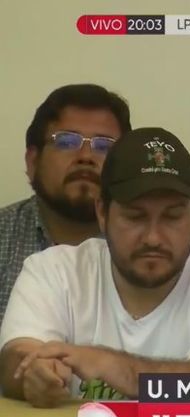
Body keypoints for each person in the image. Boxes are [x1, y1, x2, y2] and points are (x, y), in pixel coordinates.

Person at [0, 127, 190, 407]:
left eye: (172, 217)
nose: (153, 238)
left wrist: (112, 366)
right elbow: (18, 357)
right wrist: (36, 375)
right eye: (135, 217)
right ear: (102, 212)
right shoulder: (53, 270)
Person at [0, 84, 132, 323]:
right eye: (66, 142)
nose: (86, 157)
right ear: (33, 161)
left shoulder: (148, 246)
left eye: (104, 146)